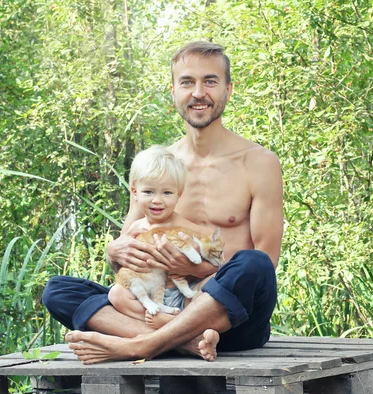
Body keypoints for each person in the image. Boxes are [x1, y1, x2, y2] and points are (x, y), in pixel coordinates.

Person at [42, 41, 283, 364]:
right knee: (59, 290)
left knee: (253, 263)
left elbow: (267, 261)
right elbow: (129, 253)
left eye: (210, 81)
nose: (199, 93)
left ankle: (140, 345)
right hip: (162, 306)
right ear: (173, 91)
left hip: (231, 321)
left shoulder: (257, 162)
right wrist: (114, 252)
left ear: (228, 88)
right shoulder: (158, 166)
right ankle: (184, 342)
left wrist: (196, 268)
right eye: (187, 82)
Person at [107, 145, 221, 326]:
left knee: (214, 286)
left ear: (178, 195)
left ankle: (175, 326)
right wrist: (113, 252)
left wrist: (194, 266)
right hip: (147, 295)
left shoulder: (183, 227)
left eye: (167, 192)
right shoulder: (136, 228)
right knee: (116, 294)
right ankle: (165, 322)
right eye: (148, 192)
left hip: (184, 294)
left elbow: (213, 254)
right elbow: (121, 261)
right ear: (135, 193)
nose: (157, 200)